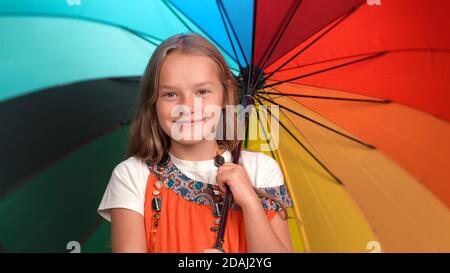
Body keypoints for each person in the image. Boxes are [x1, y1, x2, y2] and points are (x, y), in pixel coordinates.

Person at [97, 32, 295, 253]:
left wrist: (250, 202)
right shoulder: (132, 176)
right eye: (171, 94)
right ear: (153, 101)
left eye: (202, 91)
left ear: (225, 93)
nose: (188, 107)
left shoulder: (261, 170)